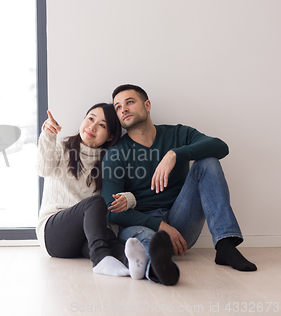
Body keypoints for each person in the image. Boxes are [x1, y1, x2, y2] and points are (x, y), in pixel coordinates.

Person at [101, 84, 257, 283]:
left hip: (181, 222)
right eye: (117, 107)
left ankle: (226, 246)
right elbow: (110, 209)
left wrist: (175, 154)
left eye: (129, 102)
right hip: (142, 223)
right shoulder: (116, 153)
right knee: (147, 241)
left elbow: (220, 147)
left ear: (147, 105)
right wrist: (160, 225)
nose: (123, 109)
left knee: (208, 161)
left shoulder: (177, 134)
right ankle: (157, 268)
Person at [36, 103, 148, 279]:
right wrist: (48, 136)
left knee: (111, 240)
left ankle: (145, 268)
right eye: (90, 119)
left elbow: (128, 192)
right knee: (95, 203)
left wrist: (128, 199)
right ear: (83, 120)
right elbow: (43, 170)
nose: (92, 126)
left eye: (102, 125)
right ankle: (100, 259)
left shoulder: (111, 161)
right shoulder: (61, 147)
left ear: (110, 135)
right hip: (53, 233)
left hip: (85, 236)